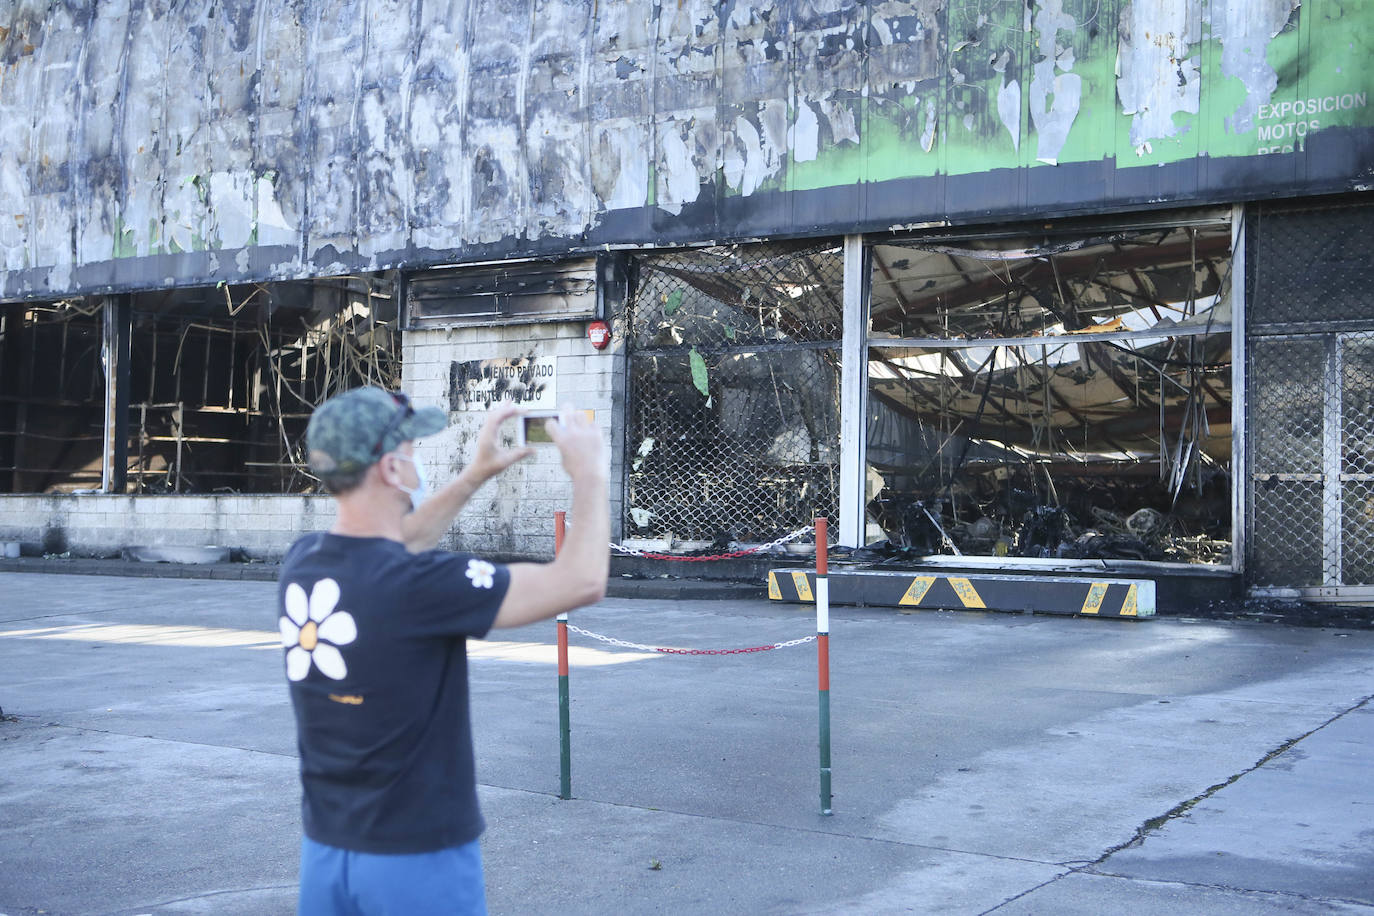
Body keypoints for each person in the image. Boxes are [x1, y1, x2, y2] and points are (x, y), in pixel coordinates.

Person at [277, 386, 609, 916]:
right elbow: (582, 580)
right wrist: (590, 474)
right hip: (416, 859)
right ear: (389, 469)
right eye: (410, 450)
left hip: (328, 850)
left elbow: (393, 542)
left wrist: (475, 475)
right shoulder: (421, 584)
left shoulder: (305, 561)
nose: (417, 460)